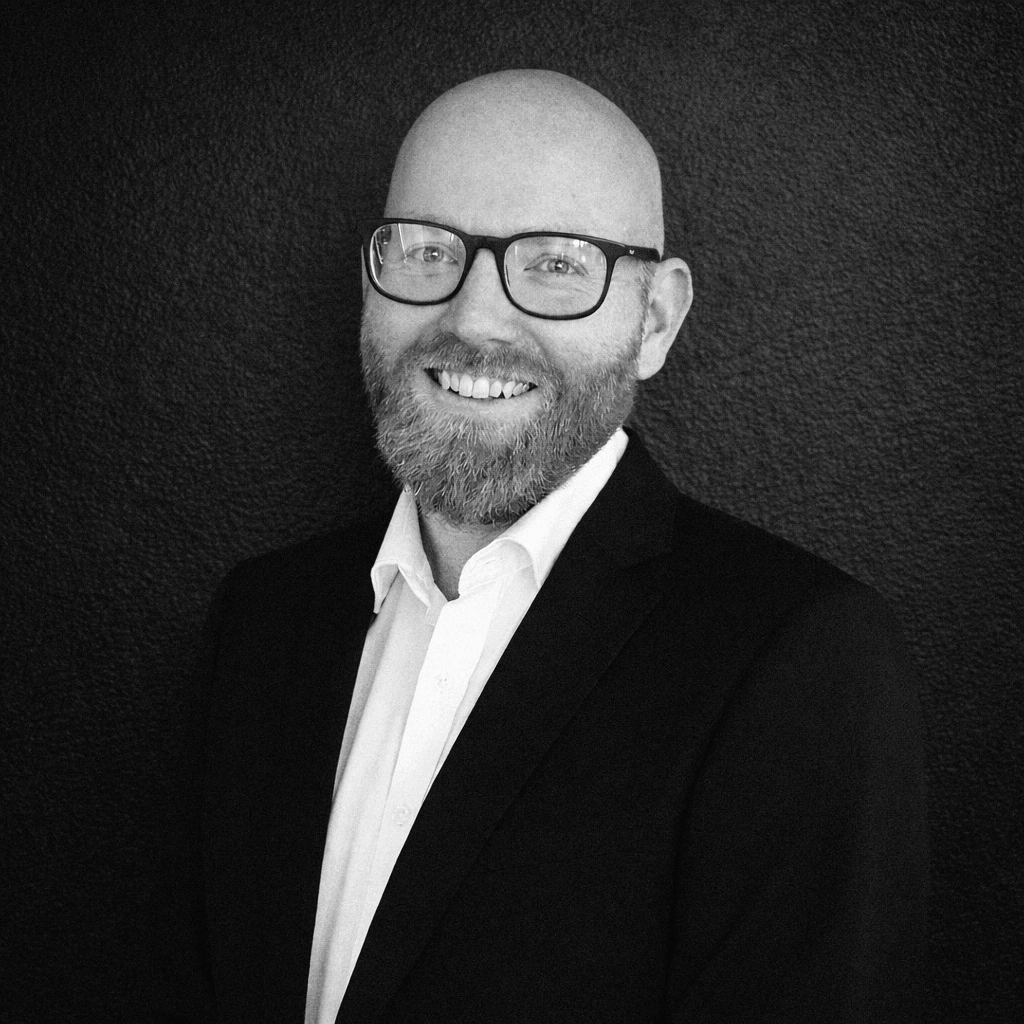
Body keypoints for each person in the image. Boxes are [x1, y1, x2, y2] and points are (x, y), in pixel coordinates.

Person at [189, 70, 927, 1023]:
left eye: (556, 265)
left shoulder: (803, 658)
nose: (471, 320)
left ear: (655, 318)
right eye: (426, 251)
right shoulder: (263, 620)